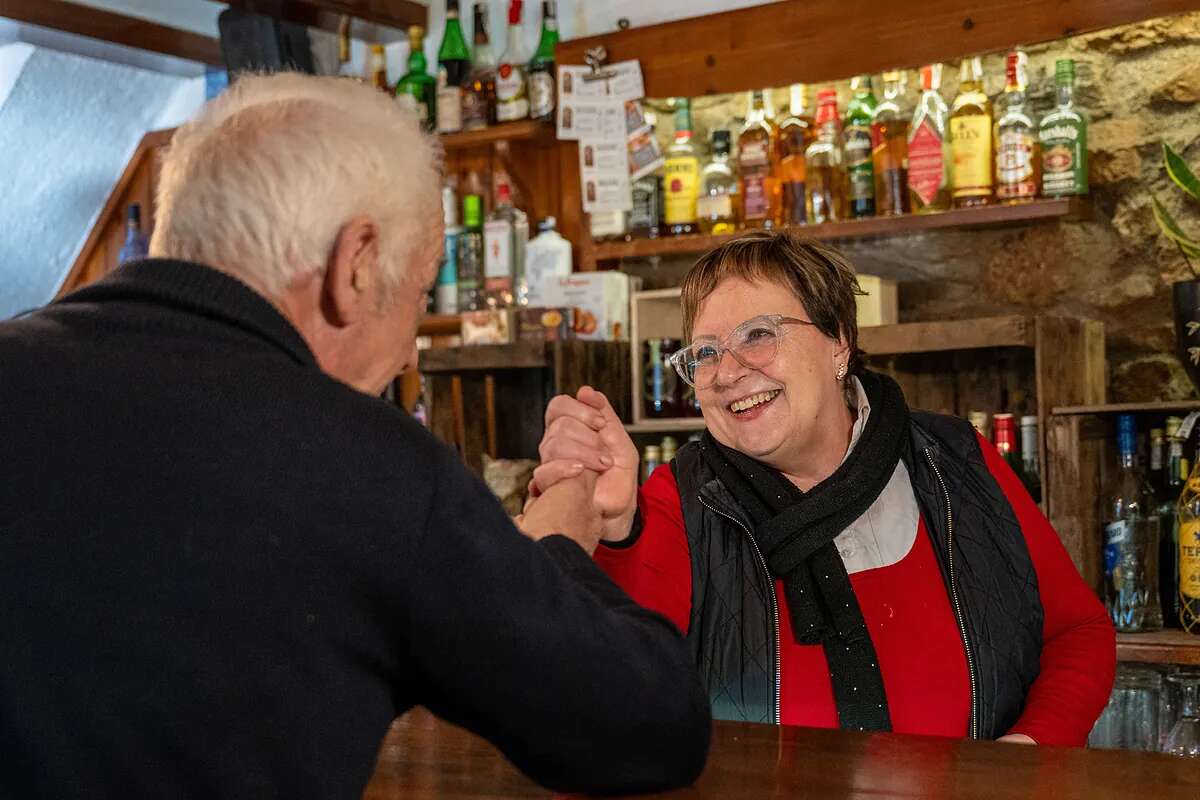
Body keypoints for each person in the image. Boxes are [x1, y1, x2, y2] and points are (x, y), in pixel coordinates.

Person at [0, 73, 709, 798]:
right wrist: (556, 544)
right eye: (418, 291)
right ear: (357, 265)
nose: (408, 353)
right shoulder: (370, 468)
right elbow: (652, 727)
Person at [532, 230, 1115, 745]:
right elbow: (600, 693)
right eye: (705, 352)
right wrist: (611, 532)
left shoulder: (955, 460)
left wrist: (1030, 749)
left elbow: (1078, 634)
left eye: (757, 334)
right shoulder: (681, 500)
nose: (727, 371)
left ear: (838, 340)